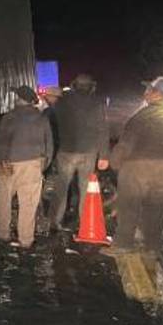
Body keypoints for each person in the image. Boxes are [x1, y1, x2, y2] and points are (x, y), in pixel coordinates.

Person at [108, 77, 163, 260]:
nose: (146, 93)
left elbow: (126, 144)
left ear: (159, 94)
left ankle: (123, 244)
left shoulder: (142, 116)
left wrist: (114, 163)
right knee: (156, 208)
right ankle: (152, 247)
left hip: (137, 168)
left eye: (150, 90)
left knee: (129, 205)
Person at [0, 86, 55, 248]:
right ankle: (26, 240)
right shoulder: (42, 119)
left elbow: (1, 142)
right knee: (28, 203)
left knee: (3, 199)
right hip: (34, 164)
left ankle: (2, 234)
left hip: (10, 163)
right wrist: (43, 166)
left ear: (20, 99)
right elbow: (49, 145)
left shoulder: (9, 117)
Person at [47, 74, 110, 232]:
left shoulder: (62, 102)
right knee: (86, 188)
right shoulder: (98, 103)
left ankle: (54, 221)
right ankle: (85, 223)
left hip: (66, 151)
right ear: (91, 87)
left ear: (74, 85)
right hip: (89, 152)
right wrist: (104, 156)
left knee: (61, 187)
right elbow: (103, 129)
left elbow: (52, 123)